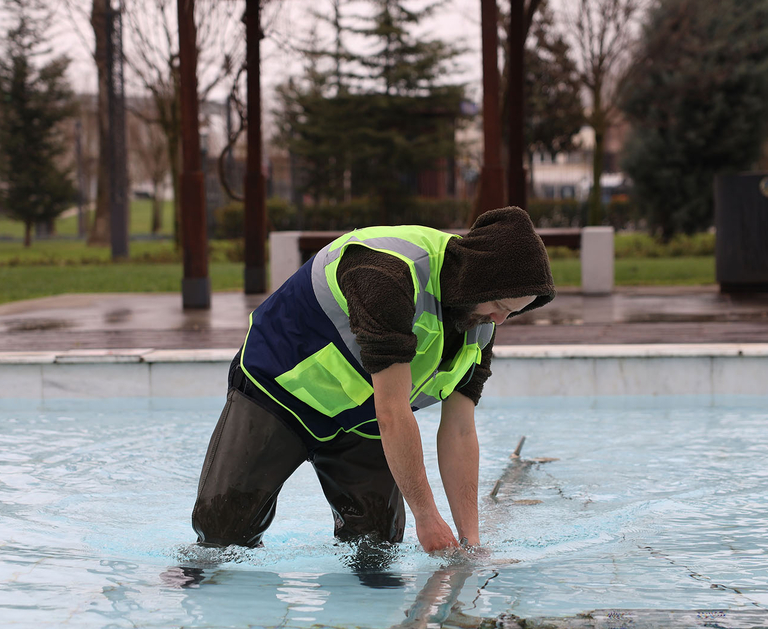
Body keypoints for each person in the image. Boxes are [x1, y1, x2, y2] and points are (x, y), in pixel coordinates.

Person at [190, 206, 555, 553]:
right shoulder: (387, 272)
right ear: (478, 281)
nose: (501, 320)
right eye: (502, 306)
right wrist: (427, 518)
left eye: (512, 313)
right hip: (279, 393)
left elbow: (460, 429)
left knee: (377, 547)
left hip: (361, 418)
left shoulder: (481, 322)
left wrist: (470, 541)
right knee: (222, 535)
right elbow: (394, 412)